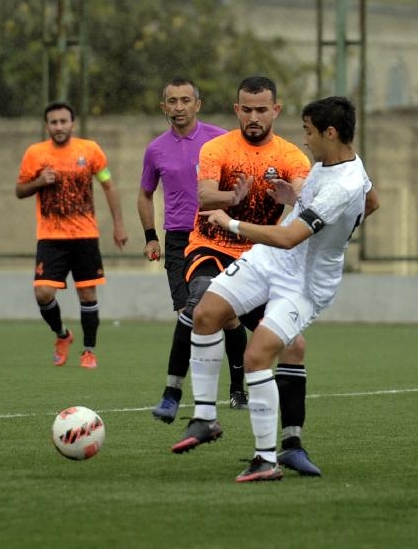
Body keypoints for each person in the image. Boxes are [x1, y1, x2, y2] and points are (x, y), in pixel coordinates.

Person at [174, 95, 379, 482]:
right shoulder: (335, 165)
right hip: (269, 261)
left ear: (330, 133)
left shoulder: (344, 186)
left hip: (304, 282)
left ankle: (266, 460)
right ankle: (205, 418)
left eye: (308, 132)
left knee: (256, 356)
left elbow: (288, 238)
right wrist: (300, 201)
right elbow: (373, 202)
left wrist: (230, 223)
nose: (304, 140)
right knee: (205, 313)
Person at [167, 75, 327, 477]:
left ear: (276, 110)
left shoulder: (292, 157)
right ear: (237, 110)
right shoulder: (217, 148)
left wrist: (294, 197)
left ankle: (291, 444)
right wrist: (232, 198)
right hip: (212, 245)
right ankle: (196, 409)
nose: (254, 117)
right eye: (247, 110)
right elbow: (205, 195)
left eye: (262, 110)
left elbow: (309, 202)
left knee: (294, 346)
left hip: (263, 260)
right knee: (203, 302)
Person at [138, 78, 246, 420]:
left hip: (217, 235)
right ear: (163, 107)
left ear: (197, 104)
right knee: (190, 312)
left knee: (228, 318)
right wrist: (150, 236)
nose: (179, 107)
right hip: (178, 240)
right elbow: (145, 194)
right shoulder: (156, 149)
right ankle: (177, 394)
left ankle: (237, 388)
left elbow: (242, 185)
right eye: (172, 101)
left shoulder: (220, 140)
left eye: (185, 100)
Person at [16, 100, 128, 369]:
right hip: (50, 237)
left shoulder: (90, 150)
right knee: (43, 293)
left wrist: (119, 224)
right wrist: (39, 182)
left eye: (63, 121)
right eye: (53, 122)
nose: (59, 127)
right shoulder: (35, 153)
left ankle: (88, 351)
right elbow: (20, 190)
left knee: (87, 294)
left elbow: (108, 185)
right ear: (47, 126)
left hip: (84, 236)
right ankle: (62, 334)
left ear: (72, 124)